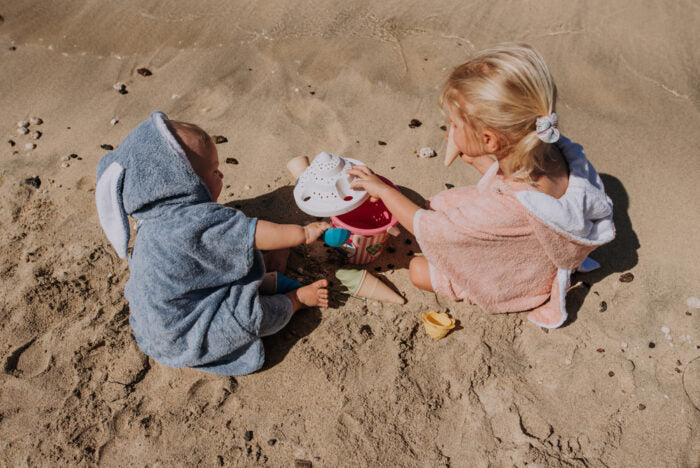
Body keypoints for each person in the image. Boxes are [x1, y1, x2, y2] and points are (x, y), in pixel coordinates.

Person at [348, 44, 615, 328]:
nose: (450, 130)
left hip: (520, 273)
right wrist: (481, 163)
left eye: (454, 124)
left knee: (417, 270)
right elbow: (521, 191)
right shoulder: (553, 150)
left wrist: (384, 191)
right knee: (436, 204)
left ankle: (509, 291)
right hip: (532, 239)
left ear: (489, 140)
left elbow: (437, 229)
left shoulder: (506, 207)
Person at [95, 111, 329, 375]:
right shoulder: (192, 221)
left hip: (150, 328)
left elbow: (211, 252)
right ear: (181, 184)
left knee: (230, 260)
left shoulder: (150, 222)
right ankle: (296, 300)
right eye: (214, 171)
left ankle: (271, 271)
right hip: (187, 334)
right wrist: (303, 233)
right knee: (253, 316)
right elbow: (248, 233)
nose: (222, 176)